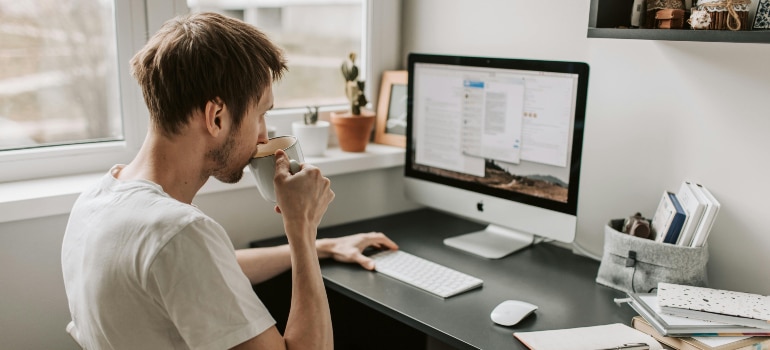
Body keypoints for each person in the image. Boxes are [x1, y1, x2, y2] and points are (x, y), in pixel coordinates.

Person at [61, 12, 398, 350]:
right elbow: (189, 256)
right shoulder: (180, 233)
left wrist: (321, 247)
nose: (264, 135)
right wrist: (302, 228)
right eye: (260, 114)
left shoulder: (96, 200)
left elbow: (203, 271)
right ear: (216, 117)